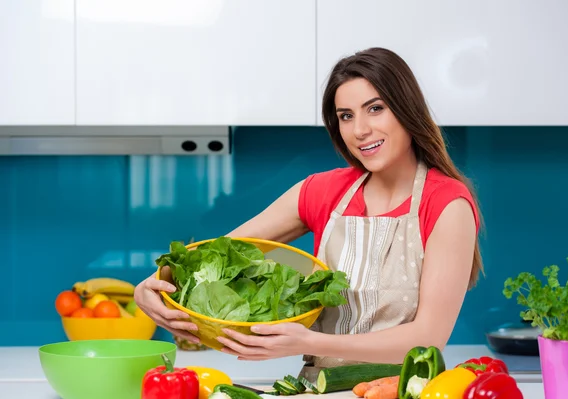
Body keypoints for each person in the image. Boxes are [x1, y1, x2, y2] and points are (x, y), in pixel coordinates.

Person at [134, 47, 483, 375]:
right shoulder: (323, 191)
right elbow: (218, 253)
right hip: (316, 389)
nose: (360, 130)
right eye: (346, 116)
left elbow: (428, 337)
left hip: (401, 389)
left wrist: (308, 342)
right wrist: (153, 284)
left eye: (375, 108)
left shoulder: (447, 203)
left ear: (407, 109)